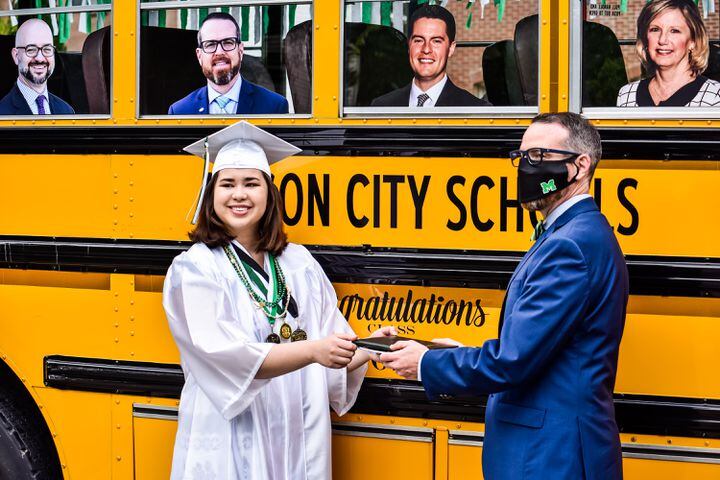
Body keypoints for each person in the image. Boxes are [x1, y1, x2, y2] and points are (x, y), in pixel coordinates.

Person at [380, 112, 628, 480]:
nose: (527, 169)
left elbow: (513, 361)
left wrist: (425, 364)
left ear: (579, 166)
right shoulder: (575, 233)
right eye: (522, 157)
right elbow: (540, 349)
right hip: (554, 450)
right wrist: (449, 352)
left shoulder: (570, 246)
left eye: (540, 157)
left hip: (552, 457)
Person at [163, 121, 393, 479]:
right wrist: (314, 351)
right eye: (227, 184)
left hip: (296, 430)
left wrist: (371, 348)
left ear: (269, 194)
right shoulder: (194, 269)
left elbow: (330, 350)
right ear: (211, 194)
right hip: (233, 434)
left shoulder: (298, 262)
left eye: (251, 183)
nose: (239, 194)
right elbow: (228, 357)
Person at [168, 13, 289, 115]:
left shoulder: (275, 106)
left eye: (228, 42)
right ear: (199, 56)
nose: (219, 52)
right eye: (210, 44)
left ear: (240, 51)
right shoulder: (180, 111)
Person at [371, 5, 490, 107]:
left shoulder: (475, 110)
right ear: (409, 46)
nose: (426, 49)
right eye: (418, 40)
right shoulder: (381, 106)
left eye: (436, 41)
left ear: (451, 49)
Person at [617, 0, 720, 107]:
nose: (662, 40)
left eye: (674, 31)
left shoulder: (714, 96)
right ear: (645, 38)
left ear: (693, 41)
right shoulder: (626, 95)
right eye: (655, 29)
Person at [0, 18, 74, 115]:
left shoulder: (66, 111)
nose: (40, 58)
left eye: (47, 49)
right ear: (16, 56)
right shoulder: (2, 113)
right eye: (31, 50)